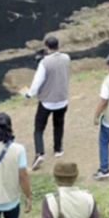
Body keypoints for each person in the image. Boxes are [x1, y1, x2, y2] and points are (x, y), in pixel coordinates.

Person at [24, 35, 70, 171]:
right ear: (58, 46)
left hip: (47, 101)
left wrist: (29, 94)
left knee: (39, 128)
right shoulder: (66, 58)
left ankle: (39, 153)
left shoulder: (44, 63)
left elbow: (37, 82)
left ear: (46, 47)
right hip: (62, 99)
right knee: (58, 124)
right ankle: (58, 149)